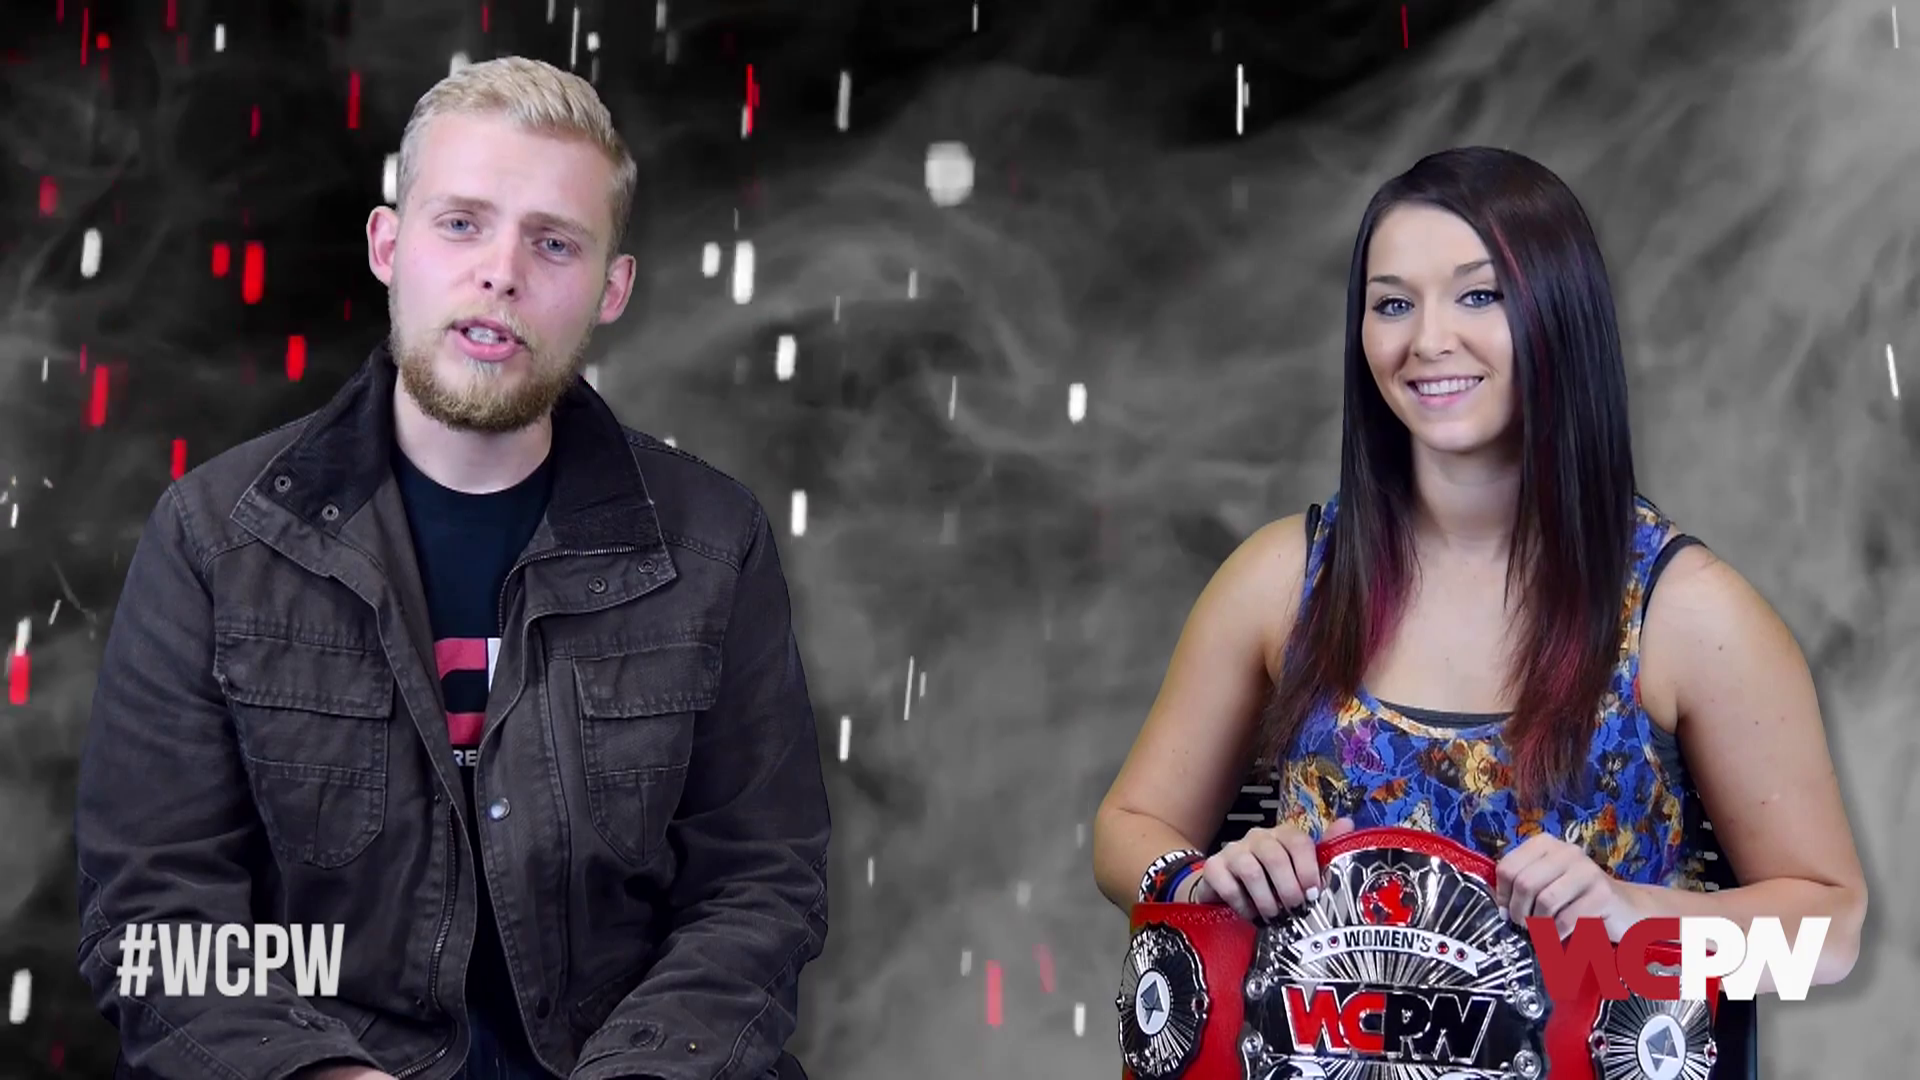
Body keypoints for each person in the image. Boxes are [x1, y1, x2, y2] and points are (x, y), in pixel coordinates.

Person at [74, 56, 830, 1080]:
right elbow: (153, 915)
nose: (501, 272)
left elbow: (759, 889)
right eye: (463, 223)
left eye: (553, 242)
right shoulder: (215, 538)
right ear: (388, 247)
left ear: (610, 289)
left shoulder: (711, 541)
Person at [1092, 147, 1867, 999]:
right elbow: (1127, 828)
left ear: (1560, 313)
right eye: (1393, 304)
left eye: (1479, 295)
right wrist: (1198, 882)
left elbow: (1828, 938)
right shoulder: (1284, 578)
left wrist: (1636, 917)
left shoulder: (1688, 611)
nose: (1428, 340)